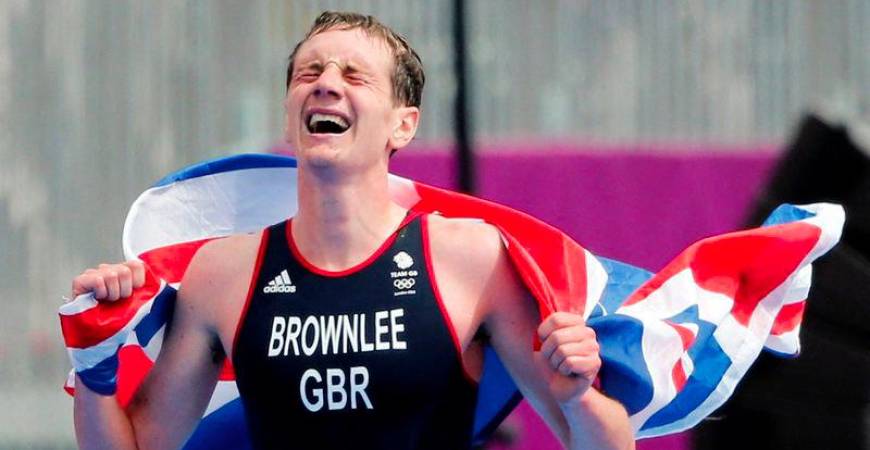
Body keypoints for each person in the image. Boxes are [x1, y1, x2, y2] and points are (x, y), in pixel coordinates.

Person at [69, 11, 633, 450]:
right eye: (309, 73)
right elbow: (140, 443)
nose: (325, 84)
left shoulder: (471, 258)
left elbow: (607, 443)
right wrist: (93, 368)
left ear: (402, 124)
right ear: (290, 117)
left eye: (354, 75)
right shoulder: (222, 273)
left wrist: (578, 394)